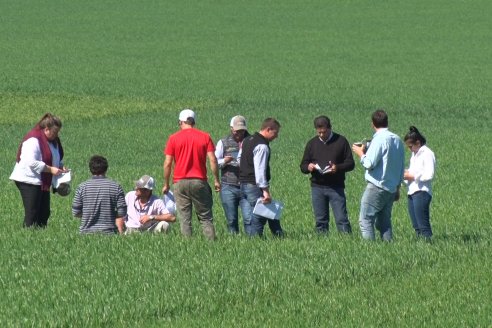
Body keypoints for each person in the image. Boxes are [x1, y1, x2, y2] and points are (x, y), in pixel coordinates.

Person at [162, 109, 220, 240]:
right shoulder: (205, 136)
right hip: (199, 181)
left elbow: (167, 163)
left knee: (184, 218)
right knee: (205, 217)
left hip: (180, 182)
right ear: (193, 121)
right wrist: (216, 180)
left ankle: (188, 246)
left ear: (181, 122)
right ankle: (211, 244)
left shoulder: (173, 138)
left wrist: (166, 184)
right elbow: (213, 159)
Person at [352, 109, 405, 241]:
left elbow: (369, 163)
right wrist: (398, 187)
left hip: (377, 185)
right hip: (391, 187)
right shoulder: (397, 139)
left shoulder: (379, 139)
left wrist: (360, 153)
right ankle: (388, 248)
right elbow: (400, 165)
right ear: (387, 122)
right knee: (384, 222)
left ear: (372, 124)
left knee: (365, 220)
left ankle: (368, 251)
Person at [10, 113, 69, 228]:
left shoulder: (52, 141)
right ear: (46, 129)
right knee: (32, 213)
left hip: (42, 180)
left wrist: (60, 167)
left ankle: (39, 236)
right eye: (55, 132)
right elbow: (30, 162)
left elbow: (53, 158)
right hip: (28, 180)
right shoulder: (33, 139)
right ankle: (27, 236)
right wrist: (51, 169)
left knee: (44, 213)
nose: (57, 135)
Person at [300, 115, 355, 234]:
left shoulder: (341, 141)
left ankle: (347, 242)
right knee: (320, 221)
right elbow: (303, 165)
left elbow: (350, 163)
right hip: (317, 187)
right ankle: (321, 244)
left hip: (336, 187)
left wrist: (337, 167)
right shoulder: (312, 143)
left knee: (342, 219)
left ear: (330, 128)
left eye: (324, 132)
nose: (321, 135)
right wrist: (308, 167)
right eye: (319, 132)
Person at [239, 117, 283, 237]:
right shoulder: (262, 146)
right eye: (276, 132)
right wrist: (265, 191)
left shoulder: (247, 140)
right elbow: (260, 170)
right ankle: (256, 240)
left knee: (249, 217)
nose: (276, 136)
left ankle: (277, 235)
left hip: (242, 184)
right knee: (260, 216)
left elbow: (239, 159)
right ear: (269, 129)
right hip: (254, 185)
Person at [215, 115, 252, 235]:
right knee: (231, 220)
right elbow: (214, 162)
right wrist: (224, 161)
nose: (239, 133)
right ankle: (234, 242)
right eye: (237, 130)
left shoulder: (251, 141)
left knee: (249, 219)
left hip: (247, 186)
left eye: (242, 130)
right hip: (228, 186)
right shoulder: (223, 142)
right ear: (231, 129)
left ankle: (252, 242)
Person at [72, 155, 126, 234]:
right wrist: (109, 214)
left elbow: (76, 212)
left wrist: (88, 214)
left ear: (90, 169)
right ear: (106, 169)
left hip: (86, 234)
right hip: (109, 233)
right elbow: (122, 212)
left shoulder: (82, 187)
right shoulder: (116, 187)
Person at [403, 126, 436, 240]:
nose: (410, 149)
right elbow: (414, 171)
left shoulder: (427, 153)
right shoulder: (414, 154)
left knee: (423, 226)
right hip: (412, 191)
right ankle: (420, 247)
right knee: (416, 226)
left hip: (421, 192)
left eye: (410, 146)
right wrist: (406, 173)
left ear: (418, 142)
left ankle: (429, 246)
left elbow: (429, 174)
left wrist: (411, 175)